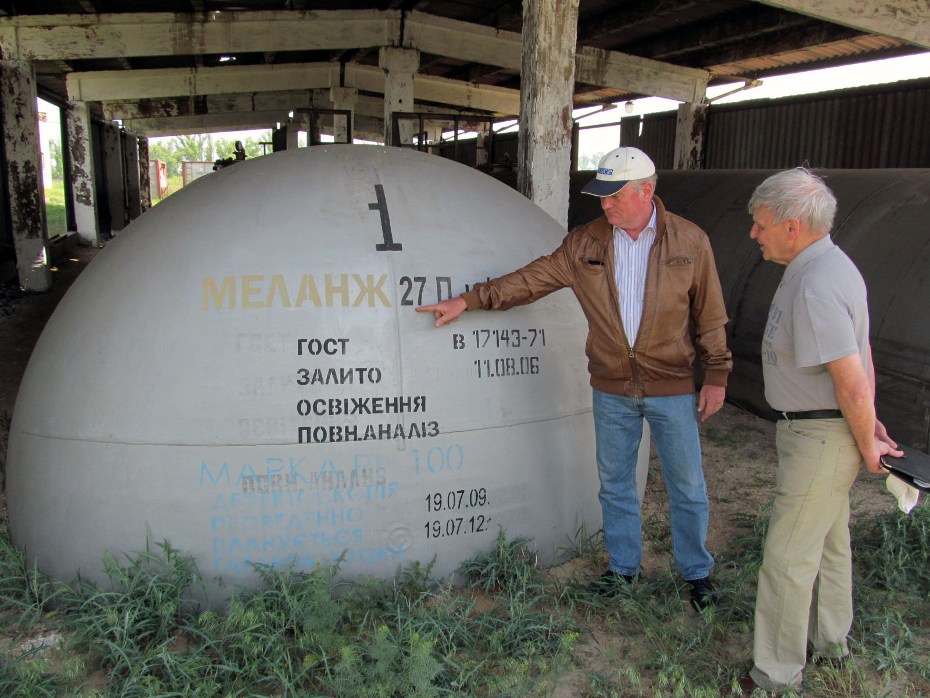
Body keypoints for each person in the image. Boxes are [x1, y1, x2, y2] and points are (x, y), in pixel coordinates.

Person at [416, 146, 732, 611]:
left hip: (671, 386)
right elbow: (533, 278)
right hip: (612, 389)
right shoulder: (585, 243)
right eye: (601, 196)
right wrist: (470, 300)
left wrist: (717, 374)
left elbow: (710, 314)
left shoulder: (689, 242)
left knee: (687, 486)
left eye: (615, 196)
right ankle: (623, 570)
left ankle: (697, 573)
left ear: (647, 190)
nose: (605, 205)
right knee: (616, 484)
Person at [742, 167, 902, 694]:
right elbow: (861, 352)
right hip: (822, 432)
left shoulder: (815, 281)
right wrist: (869, 422)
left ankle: (774, 674)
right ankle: (832, 644)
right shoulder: (828, 266)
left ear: (791, 226)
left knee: (787, 558)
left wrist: (866, 440)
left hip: (820, 438)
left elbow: (850, 379)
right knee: (830, 546)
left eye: (760, 224)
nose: (753, 234)